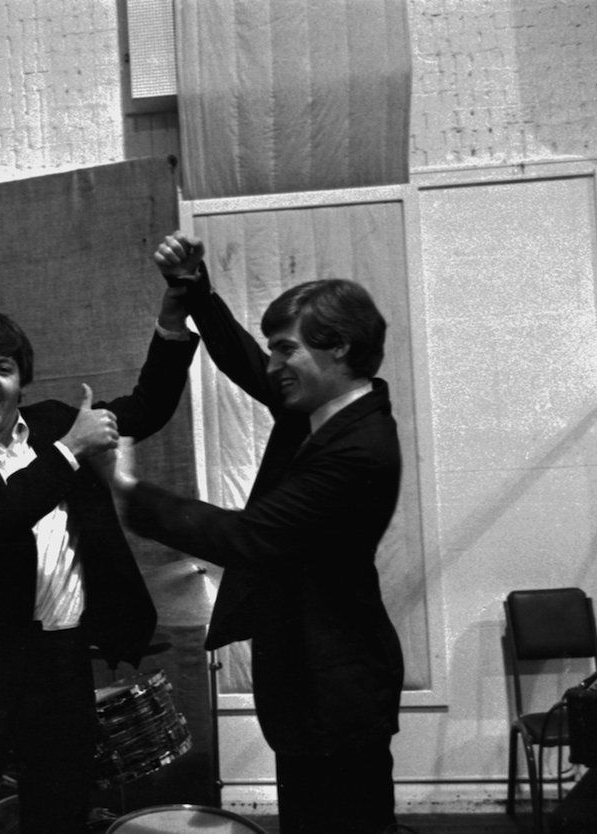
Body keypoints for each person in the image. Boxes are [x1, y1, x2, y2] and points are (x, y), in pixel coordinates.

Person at [106, 232, 407, 834]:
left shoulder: (358, 450)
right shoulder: (327, 412)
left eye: (285, 350)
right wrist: (193, 289)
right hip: (315, 682)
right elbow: (243, 359)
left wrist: (129, 490)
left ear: (339, 347)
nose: (271, 366)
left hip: (335, 688)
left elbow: (250, 538)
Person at [0, 278, 198, 833]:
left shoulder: (58, 423)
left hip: (60, 665)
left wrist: (172, 321)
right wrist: (68, 453)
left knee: (59, 817)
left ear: (20, 383)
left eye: (3, 367)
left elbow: (147, 408)